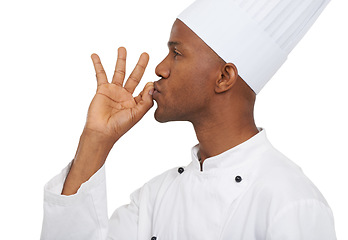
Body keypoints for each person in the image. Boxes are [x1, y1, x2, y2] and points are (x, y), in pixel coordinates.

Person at [41, 0, 337, 239]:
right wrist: (97, 139)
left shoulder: (292, 202)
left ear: (224, 77)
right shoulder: (157, 197)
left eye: (176, 53)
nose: (160, 67)